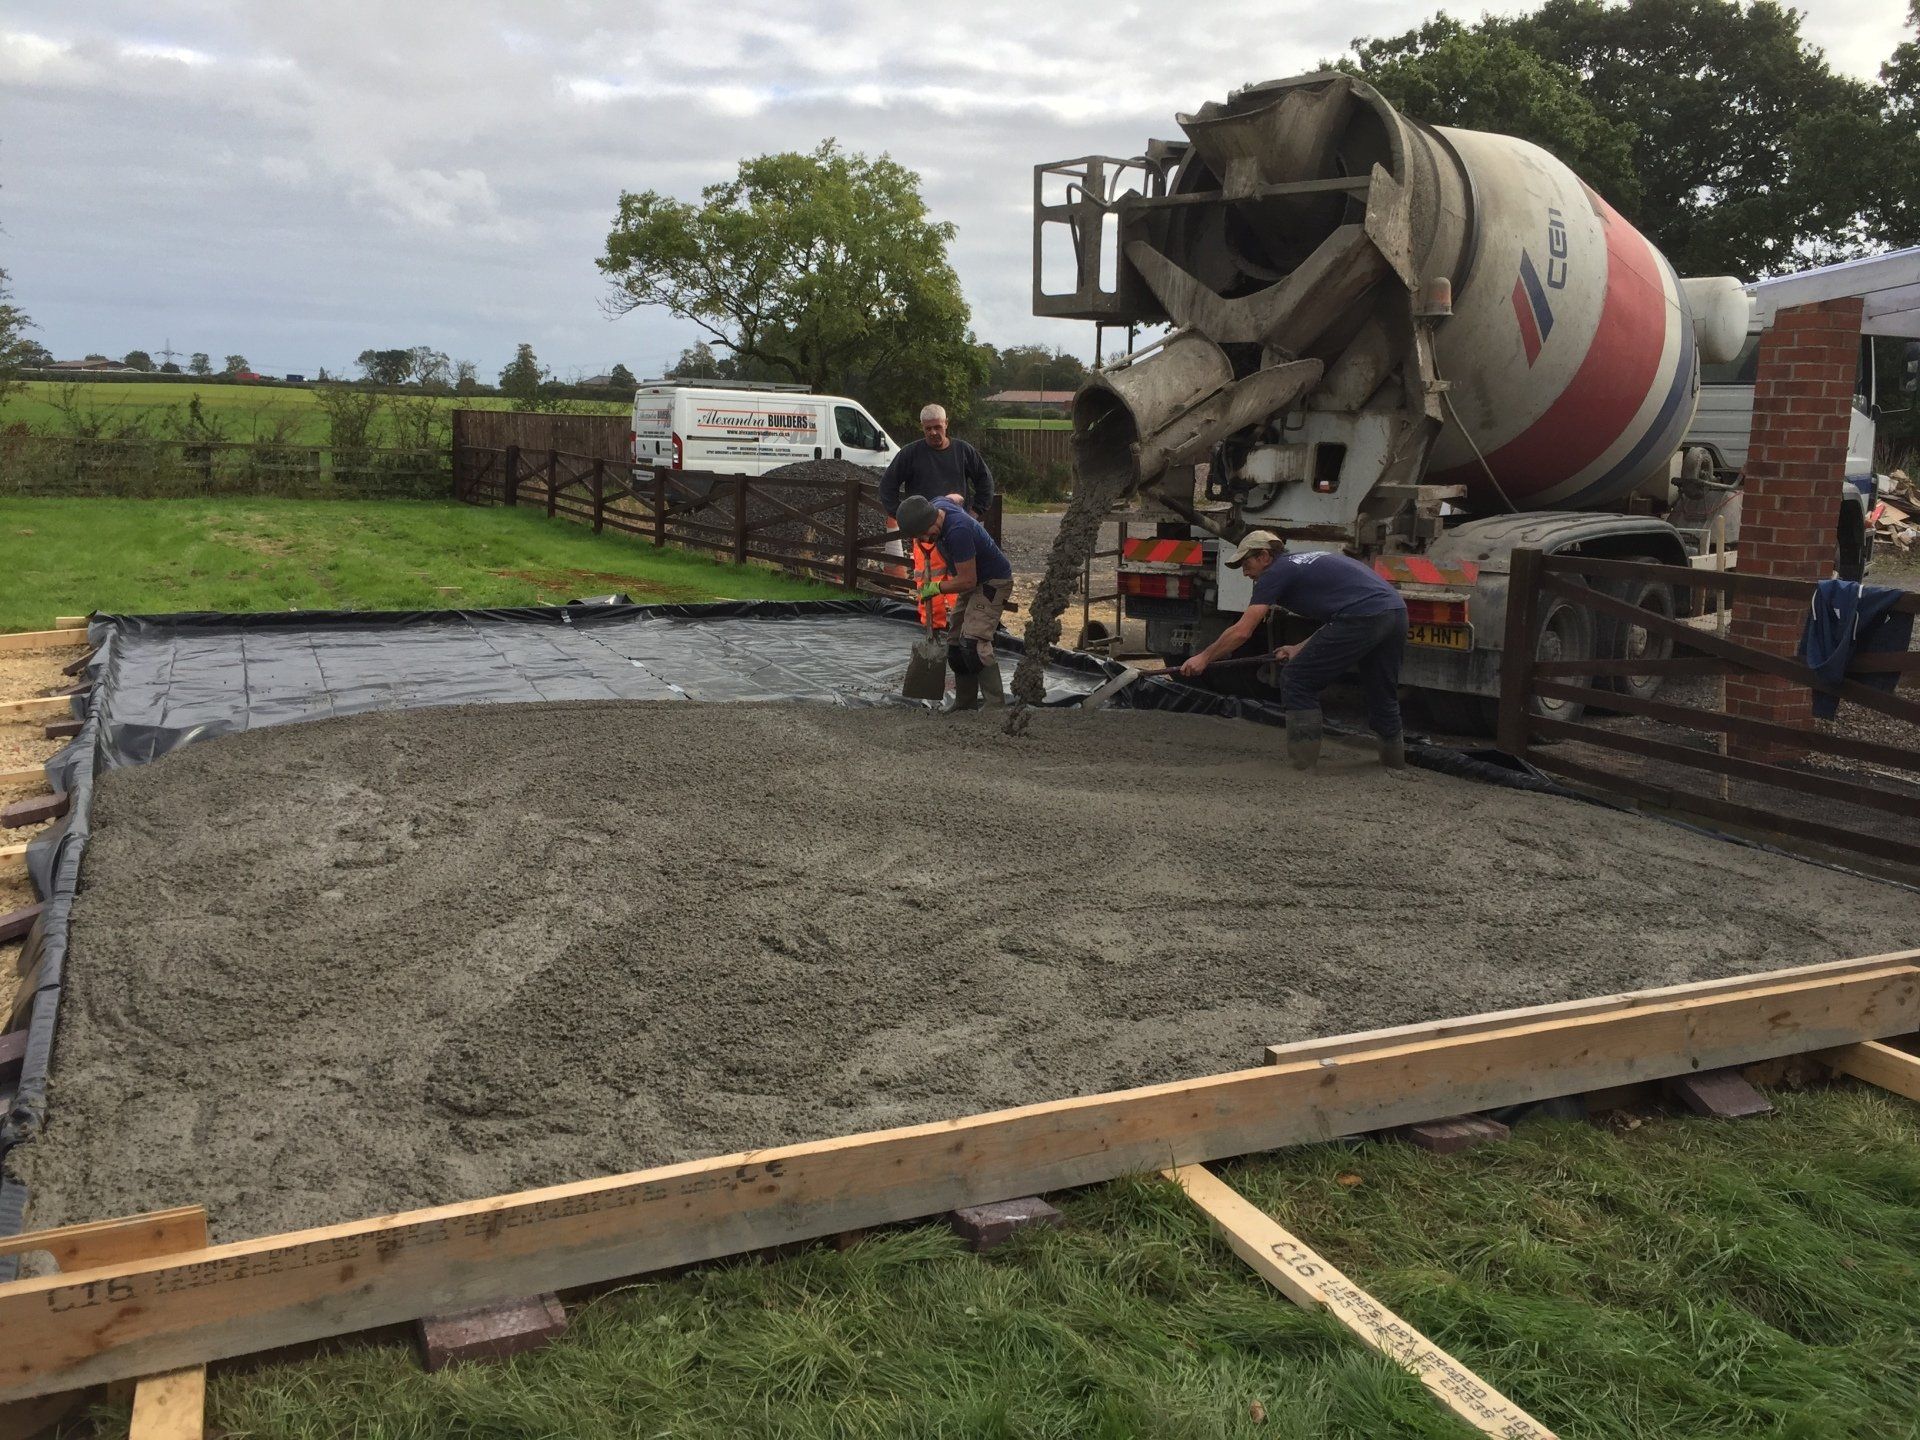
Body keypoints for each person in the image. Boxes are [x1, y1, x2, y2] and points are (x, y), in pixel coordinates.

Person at [1178, 531, 1408, 770]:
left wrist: (1204, 657)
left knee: (1297, 679)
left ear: (1265, 556)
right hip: (1395, 611)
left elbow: (1242, 631)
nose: (1245, 573)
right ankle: (1393, 764)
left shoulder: (1274, 573)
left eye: (1246, 564)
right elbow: (1338, 618)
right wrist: (1298, 647)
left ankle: (1302, 766)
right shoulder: (1299, 562)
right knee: (1382, 691)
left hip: (1363, 616)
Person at [896, 493, 1013, 710]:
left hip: (992, 581)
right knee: (956, 644)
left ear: (931, 522)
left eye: (924, 535)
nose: (925, 540)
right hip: (973, 580)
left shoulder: (958, 531)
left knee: (974, 642)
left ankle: (996, 708)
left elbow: (968, 580)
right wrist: (960, 502)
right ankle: (964, 703)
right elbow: (955, 497)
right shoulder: (938, 506)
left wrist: (936, 587)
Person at [880, 404, 996, 521]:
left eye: (937, 427)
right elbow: (887, 485)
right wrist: (901, 515)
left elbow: (985, 481)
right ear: (922, 427)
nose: (933, 432)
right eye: (928, 428)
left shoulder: (963, 451)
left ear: (946, 423)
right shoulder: (909, 453)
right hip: (923, 528)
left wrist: (974, 512)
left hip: (957, 524)